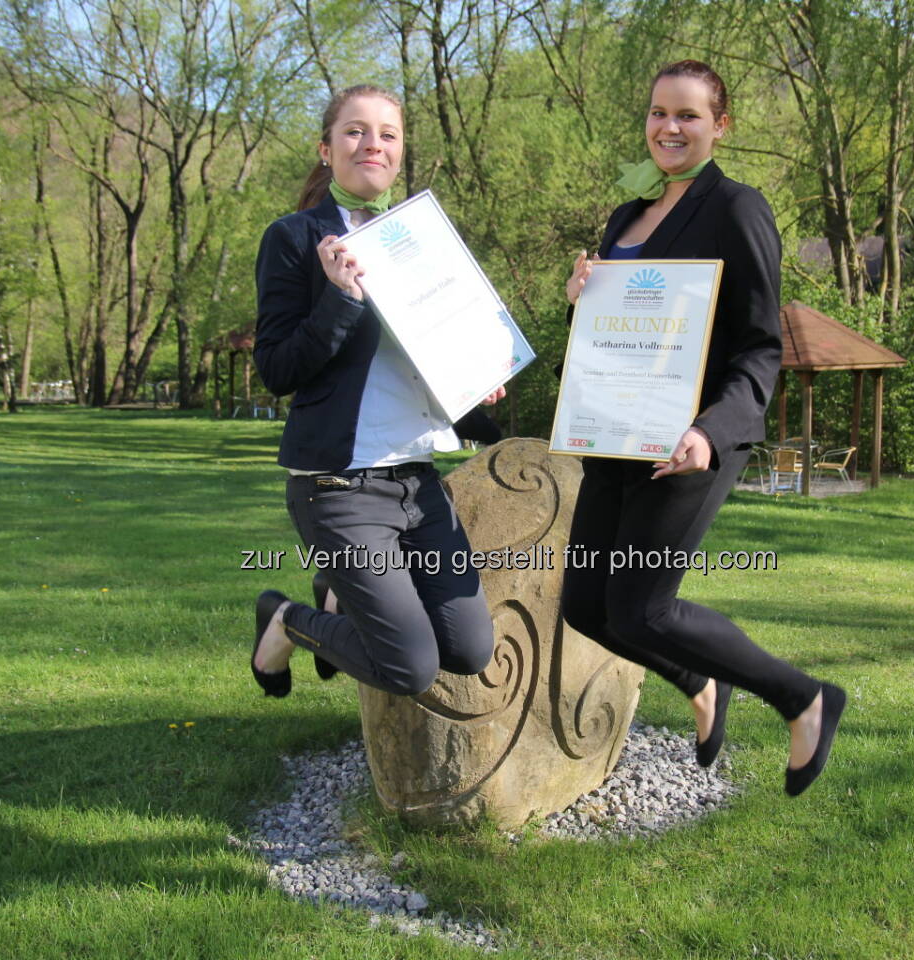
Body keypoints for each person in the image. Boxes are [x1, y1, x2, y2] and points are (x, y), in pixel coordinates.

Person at [560, 61, 846, 795]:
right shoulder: (627, 215)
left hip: (689, 444)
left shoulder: (737, 208)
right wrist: (580, 304)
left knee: (644, 608)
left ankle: (805, 699)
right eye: (659, 113)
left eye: (688, 115)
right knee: (590, 606)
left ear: (720, 126)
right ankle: (699, 682)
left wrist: (713, 432)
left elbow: (759, 344)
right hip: (616, 434)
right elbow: (619, 333)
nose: (669, 128)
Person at [249, 84, 503, 700]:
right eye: (356, 131)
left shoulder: (423, 240)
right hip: (339, 485)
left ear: (400, 150)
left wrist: (477, 376)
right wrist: (339, 298)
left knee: (469, 650)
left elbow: (432, 350)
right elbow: (278, 370)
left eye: (388, 134)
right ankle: (286, 621)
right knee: (409, 668)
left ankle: (337, 590)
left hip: (415, 479)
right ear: (327, 149)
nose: (373, 144)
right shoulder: (294, 238)